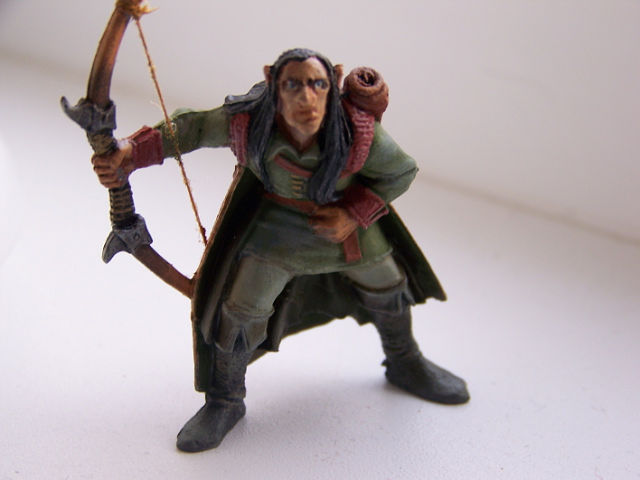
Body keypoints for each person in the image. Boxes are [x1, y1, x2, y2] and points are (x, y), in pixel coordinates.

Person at [92, 48, 469, 453]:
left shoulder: (357, 130)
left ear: (333, 83)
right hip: (276, 232)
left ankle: (404, 361)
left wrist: (352, 214)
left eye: (317, 84)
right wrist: (130, 152)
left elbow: (401, 171)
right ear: (273, 82)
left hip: (345, 231)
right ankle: (225, 400)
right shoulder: (251, 121)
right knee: (240, 312)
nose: (306, 98)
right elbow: (195, 128)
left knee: (389, 284)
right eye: (293, 85)